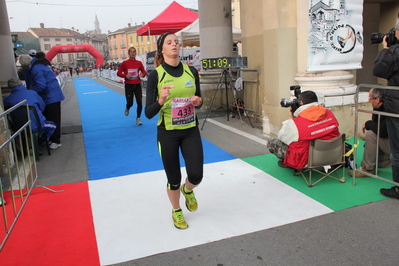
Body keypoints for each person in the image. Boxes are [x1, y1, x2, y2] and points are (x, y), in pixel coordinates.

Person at [145, 32, 203, 229]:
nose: (174, 45)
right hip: (167, 132)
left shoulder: (191, 72)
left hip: (190, 129)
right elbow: (148, 113)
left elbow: (200, 100)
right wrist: (161, 100)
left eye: (177, 42)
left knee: (196, 175)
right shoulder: (156, 75)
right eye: (169, 42)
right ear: (162, 49)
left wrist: (198, 100)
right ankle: (176, 210)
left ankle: (189, 190)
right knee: (174, 178)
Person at [267, 90, 340, 169]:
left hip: (305, 161)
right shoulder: (329, 113)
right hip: (333, 155)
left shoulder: (295, 123)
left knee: (272, 142)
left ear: (301, 102)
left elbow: (282, 138)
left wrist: (290, 118)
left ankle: (287, 161)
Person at [372, 17, 399, 199]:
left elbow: (380, 71)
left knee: (397, 151)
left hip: (397, 109)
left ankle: (397, 188)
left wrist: (386, 49)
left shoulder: (394, 51)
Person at [348, 88, 391, 177]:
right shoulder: (379, 108)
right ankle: (371, 164)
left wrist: (368, 124)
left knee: (371, 135)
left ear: (378, 100)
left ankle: (368, 169)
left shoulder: (389, 109)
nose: (369, 101)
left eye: (370, 98)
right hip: (391, 143)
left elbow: (382, 131)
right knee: (374, 159)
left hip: (394, 144)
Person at [29, 51, 65, 149]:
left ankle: (55, 140)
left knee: (52, 118)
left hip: (50, 96)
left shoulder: (36, 68)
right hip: (52, 95)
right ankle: (53, 138)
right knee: (53, 118)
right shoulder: (43, 66)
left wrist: (31, 92)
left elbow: (41, 85)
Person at [117, 47, 147, 125]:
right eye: (131, 52)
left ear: (135, 53)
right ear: (129, 53)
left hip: (137, 84)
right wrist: (125, 75)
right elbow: (118, 73)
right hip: (129, 85)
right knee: (130, 103)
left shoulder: (139, 63)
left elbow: (144, 72)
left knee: (140, 102)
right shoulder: (125, 63)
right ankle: (127, 107)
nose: (133, 53)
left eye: (134, 52)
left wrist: (142, 74)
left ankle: (138, 119)